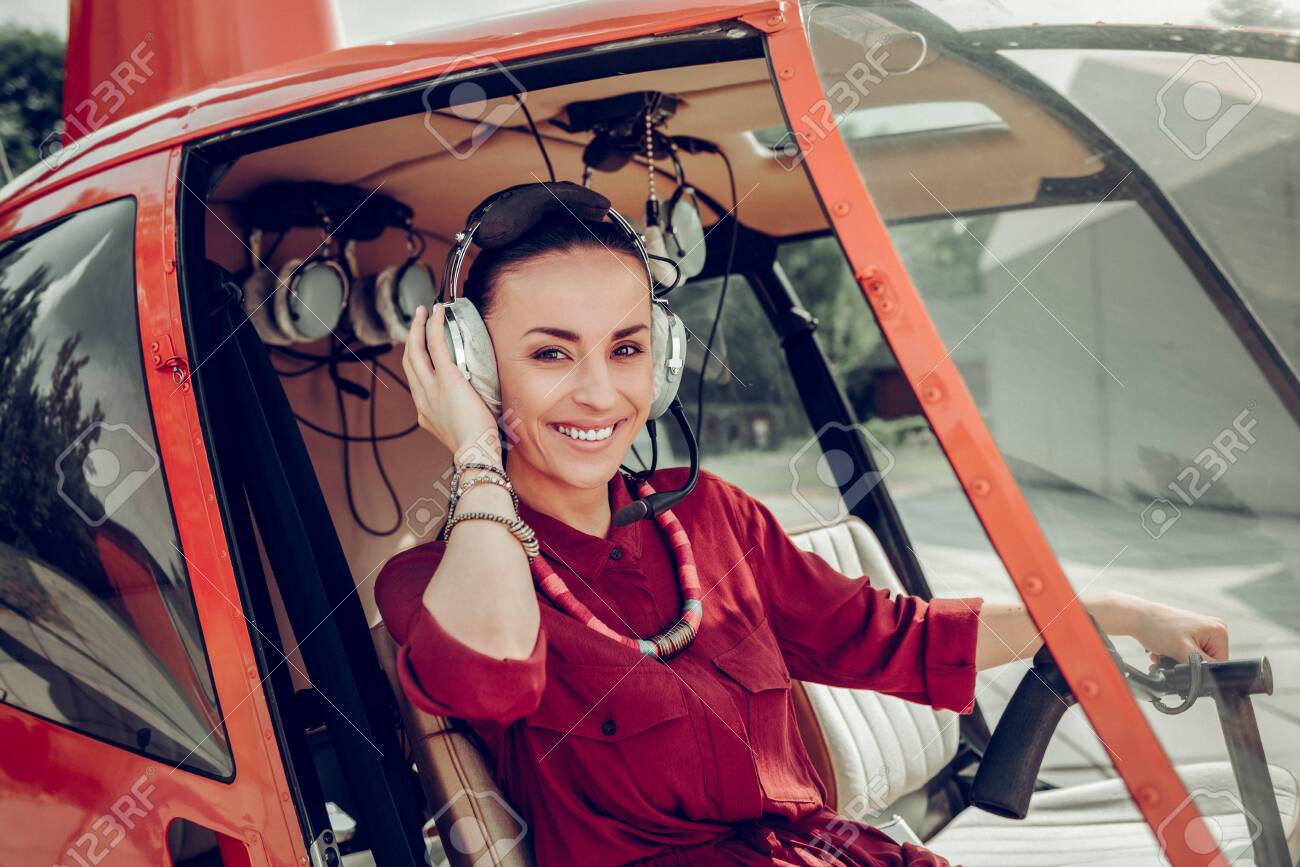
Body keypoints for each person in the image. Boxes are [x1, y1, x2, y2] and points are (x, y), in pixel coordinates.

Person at [376, 202, 1230, 866]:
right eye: (551, 355)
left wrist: (1106, 611)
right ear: (476, 367)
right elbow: (488, 673)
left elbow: (898, 637)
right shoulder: (432, 583)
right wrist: (476, 445)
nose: (602, 394)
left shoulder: (709, 516)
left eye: (627, 348)